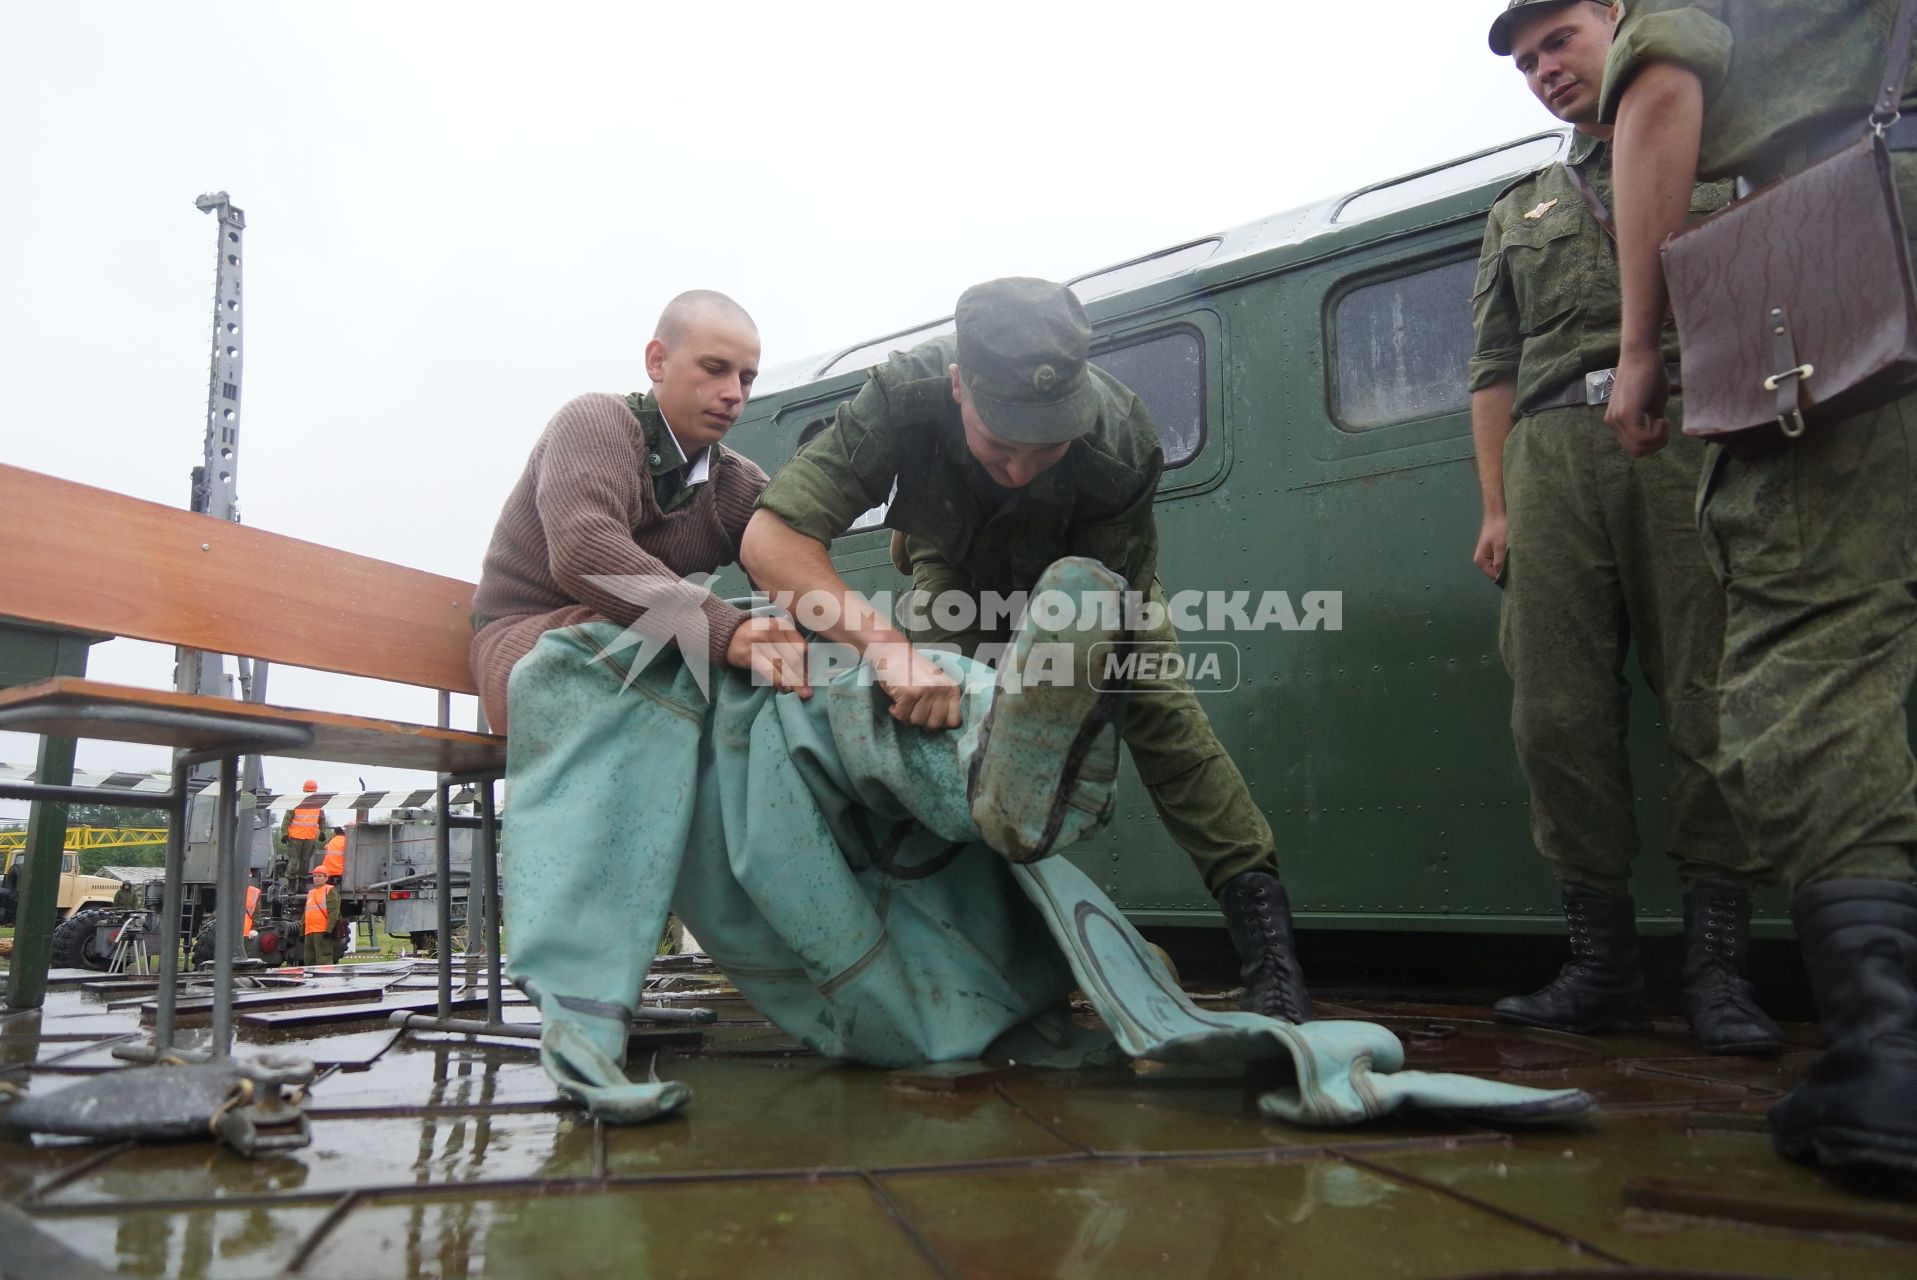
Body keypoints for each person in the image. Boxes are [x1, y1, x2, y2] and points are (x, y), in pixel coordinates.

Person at [740, 277, 1312, 1021]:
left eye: (1046, 449)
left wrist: (1050, 713)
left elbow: (1105, 610)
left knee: (1166, 723)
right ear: (956, 387)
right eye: (999, 445)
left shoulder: (1120, 442)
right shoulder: (903, 395)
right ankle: (928, 940)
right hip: (951, 560)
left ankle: (1269, 952)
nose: (1019, 469)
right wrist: (887, 649)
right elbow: (770, 540)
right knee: (931, 721)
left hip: (1088, 579)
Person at [1598, 0, 1917, 1173]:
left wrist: (1643, 343)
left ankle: (1886, 1060)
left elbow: (1665, 91)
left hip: (1855, 241)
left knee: (1813, 642)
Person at [1470, 0, 1779, 1054]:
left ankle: (1719, 970)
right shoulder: (1519, 208)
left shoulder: (1727, 142)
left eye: (1560, 40)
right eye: (1525, 62)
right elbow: (1492, 369)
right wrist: (1498, 503)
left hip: (1695, 424)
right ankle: (1601, 966)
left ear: (1617, 20)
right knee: (1553, 712)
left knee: (1712, 693)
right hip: (1552, 450)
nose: (1545, 69)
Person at [470, 290, 808, 731]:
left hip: (634, 638)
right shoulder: (594, 422)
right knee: (679, 650)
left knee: (771, 647)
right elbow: (584, 551)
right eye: (714, 369)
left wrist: (872, 648)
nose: (732, 394)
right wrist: (726, 630)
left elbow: (791, 552)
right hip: (531, 646)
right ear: (657, 362)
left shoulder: (733, 481)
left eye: (746, 379)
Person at [302, 868, 340, 967]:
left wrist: (329, 929)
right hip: (309, 931)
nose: (316, 878)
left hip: (322, 931)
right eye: (315, 876)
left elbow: (333, 911)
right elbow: (306, 912)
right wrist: (302, 930)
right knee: (309, 960)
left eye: (320, 876)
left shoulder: (329, 890)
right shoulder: (311, 892)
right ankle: (310, 981)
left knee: (323, 959)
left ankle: (325, 980)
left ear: (326, 878)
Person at [282, 780, 324, 867]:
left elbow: (322, 819)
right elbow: (286, 820)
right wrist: (284, 833)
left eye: (311, 792)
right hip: (295, 836)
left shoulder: (318, 804)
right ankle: (291, 879)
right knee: (294, 860)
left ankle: (302, 879)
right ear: (304, 791)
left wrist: (322, 831)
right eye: (308, 791)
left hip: (310, 836)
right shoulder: (295, 802)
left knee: (305, 860)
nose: (310, 793)